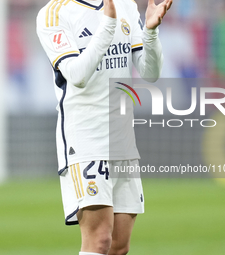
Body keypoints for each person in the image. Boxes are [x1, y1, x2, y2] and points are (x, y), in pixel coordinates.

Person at [36, 0, 172, 254]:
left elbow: (150, 72)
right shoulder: (53, 14)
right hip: (85, 137)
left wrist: (151, 32)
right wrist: (108, 25)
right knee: (99, 241)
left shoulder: (126, 5)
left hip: (122, 138)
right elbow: (76, 74)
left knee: (119, 246)